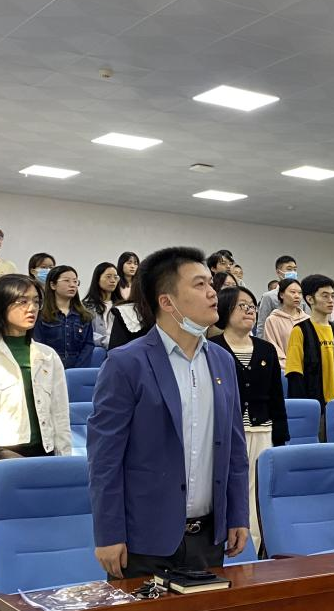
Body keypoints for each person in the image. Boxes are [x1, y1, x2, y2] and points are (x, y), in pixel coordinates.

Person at [87, 247, 249, 578]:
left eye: (211, 284)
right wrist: (109, 533)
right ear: (167, 302)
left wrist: (237, 515)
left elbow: (234, 448)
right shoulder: (126, 363)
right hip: (144, 541)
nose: (212, 293)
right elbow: (105, 459)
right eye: (200, 284)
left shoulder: (222, 361)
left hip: (208, 538)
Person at [0, 274, 73, 553]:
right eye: (22, 301)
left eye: (36, 301)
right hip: (0, 457)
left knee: (43, 538)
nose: (32, 308)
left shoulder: (48, 355)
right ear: (1, 305)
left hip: (44, 455)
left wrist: (64, 462)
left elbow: (60, 415)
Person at [211, 285, 287, 552]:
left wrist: (280, 437)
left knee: (256, 492)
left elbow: (276, 397)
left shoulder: (266, 350)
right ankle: (223, 545)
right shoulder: (212, 348)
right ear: (225, 310)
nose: (249, 311)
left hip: (261, 429)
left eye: (252, 307)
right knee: (229, 486)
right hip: (224, 433)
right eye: (242, 306)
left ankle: (253, 548)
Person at [287, 275, 334, 433]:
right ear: (310, 299)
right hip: (314, 408)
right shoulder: (300, 331)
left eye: (332, 296)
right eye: (325, 296)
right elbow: (294, 374)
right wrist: (304, 411)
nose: (330, 300)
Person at [33, 265, 95, 369]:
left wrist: (77, 370)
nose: (72, 285)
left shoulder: (84, 316)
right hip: (49, 368)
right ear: (53, 285)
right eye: (67, 281)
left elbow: (88, 345)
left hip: (77, 370)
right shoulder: (41, 315)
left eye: (75, 281)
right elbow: (38, 345)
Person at [262, 277, 307, 368]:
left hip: (309, 369)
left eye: (300, 293)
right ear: (282, 295)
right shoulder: (273, 320)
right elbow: (272, 347)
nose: (297, 296)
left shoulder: (307, 319)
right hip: (285, 369)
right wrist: (291, 366)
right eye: (293, 292)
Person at [82, 261, 120, 349]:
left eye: (115, 277)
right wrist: (109, 342)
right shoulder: (86, 306)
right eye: (108, 277)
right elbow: (87, 333)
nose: (113, 280)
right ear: (97, 279)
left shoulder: (122, 306)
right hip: (99, 347)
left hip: (120, 348)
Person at [256, 255, 298, 331]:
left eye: (295, 269)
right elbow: (262, 325)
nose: (293, 272)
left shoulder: (299, 295)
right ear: (278, 272)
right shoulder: (269, 296)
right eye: (289, 269)